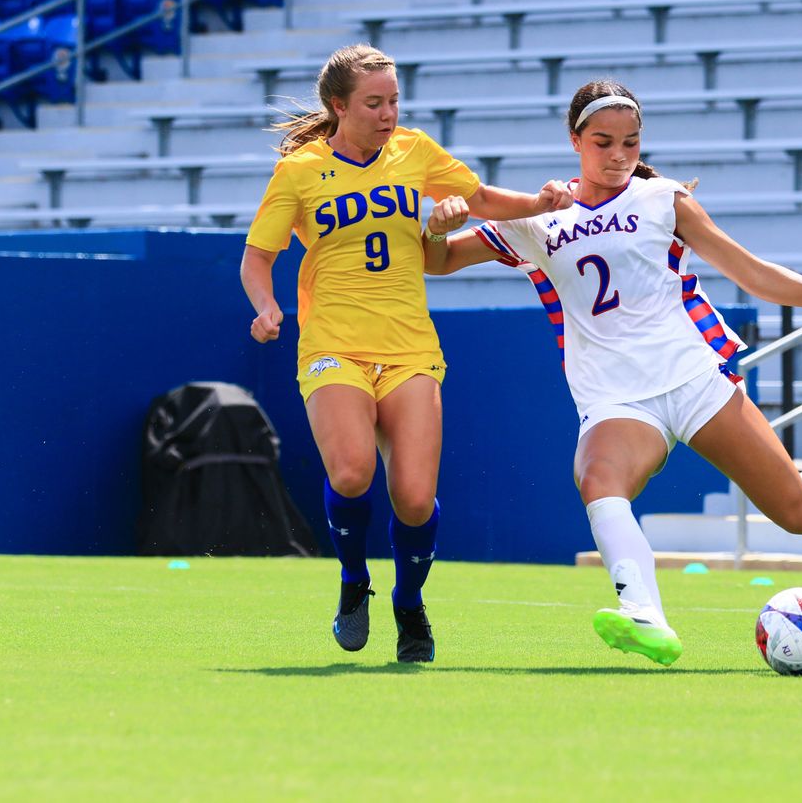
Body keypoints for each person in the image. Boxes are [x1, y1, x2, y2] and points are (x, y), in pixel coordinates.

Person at [423, 79, 802, 667]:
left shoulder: (662, 199)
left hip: (693, 380)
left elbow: (752, 274)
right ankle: (646, 619)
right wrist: (437, 223)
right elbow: (438, 260)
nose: (619, 154)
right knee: (598, 478)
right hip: (615, 398)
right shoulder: (537, 216)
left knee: (800, 516)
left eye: (630, 142)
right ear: (574, 139)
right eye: (603, 141)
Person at [240, 44, 573, 662]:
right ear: (339, 106)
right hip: (332, 344)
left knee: (415, 498)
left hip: (410, 346)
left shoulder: (415, 153)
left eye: (394, 100)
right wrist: (265, 308)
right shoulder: (300, 171)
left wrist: (539, 203)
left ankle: (409, 602)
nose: (388, 112)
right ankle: (351, 582)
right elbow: (257, 258)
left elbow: (479, 201)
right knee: (351, 472)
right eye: (374, 102)